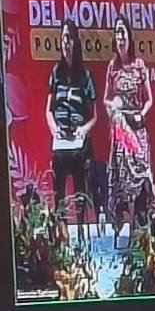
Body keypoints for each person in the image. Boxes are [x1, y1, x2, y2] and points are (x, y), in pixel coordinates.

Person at [105, 16, 155, 233]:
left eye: (123, 32)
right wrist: (114, 110)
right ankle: (123, 216)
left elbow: (149, 100)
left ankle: (141, 224)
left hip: (136, 125)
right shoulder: (113, 67)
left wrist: (141, 115)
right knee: (120, 155)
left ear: (129, 36)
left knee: (142, 167)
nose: (120, 37)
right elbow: (106, 100)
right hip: (120, 129)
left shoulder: (139, 65)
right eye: (117, 33)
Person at [46, 19, 97, 228]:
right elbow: (48, 111)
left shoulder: (85, 75)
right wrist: (54, 128)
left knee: (79, 169)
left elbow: (94, 117)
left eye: (69, 38)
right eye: (63, 38)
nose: (65, 43)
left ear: (75, 42)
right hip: (60, 138)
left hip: (78, 139)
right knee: (58, 166)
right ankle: (61, 228)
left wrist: (84, 130)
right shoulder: (56, 73)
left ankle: (82, 226)